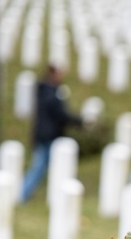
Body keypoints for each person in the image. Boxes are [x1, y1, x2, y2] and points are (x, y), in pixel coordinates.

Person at [19, 65, 83, 203]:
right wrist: (79, 122)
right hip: (48, 136)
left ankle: (26, 193)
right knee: (39, 167)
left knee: (44, 167)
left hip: (44, 135)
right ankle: (21, 194)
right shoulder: (51, 93)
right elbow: (60, 115)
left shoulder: (44, 91)